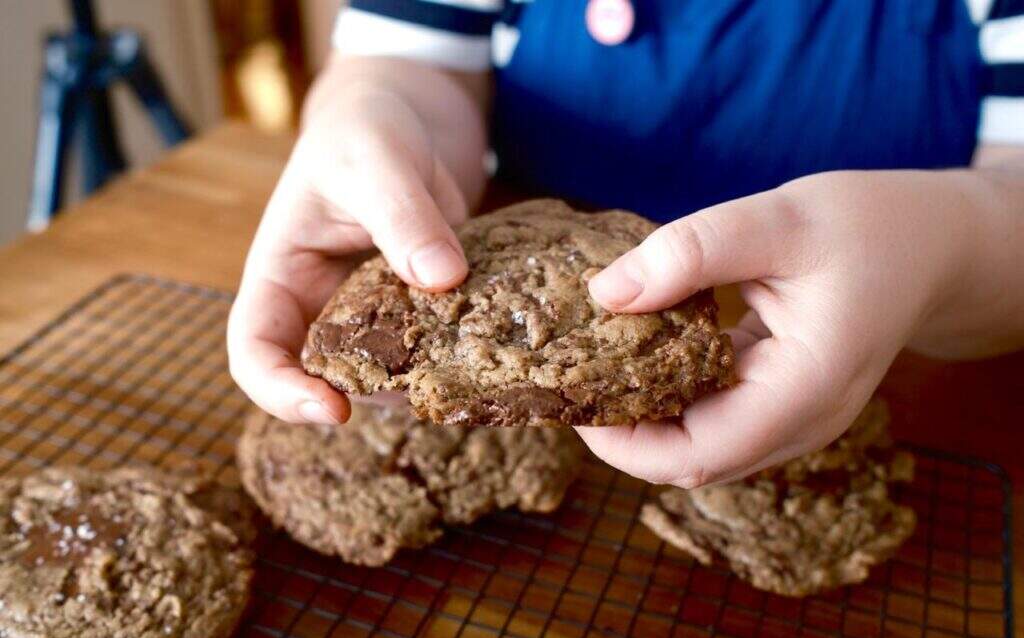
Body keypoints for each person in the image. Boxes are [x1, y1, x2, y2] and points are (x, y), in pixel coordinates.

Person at [227, 0, 1024, 489]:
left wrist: (950, 246)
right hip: (538, 397)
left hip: (924, 377)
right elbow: (408, 62)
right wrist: (368, 110)